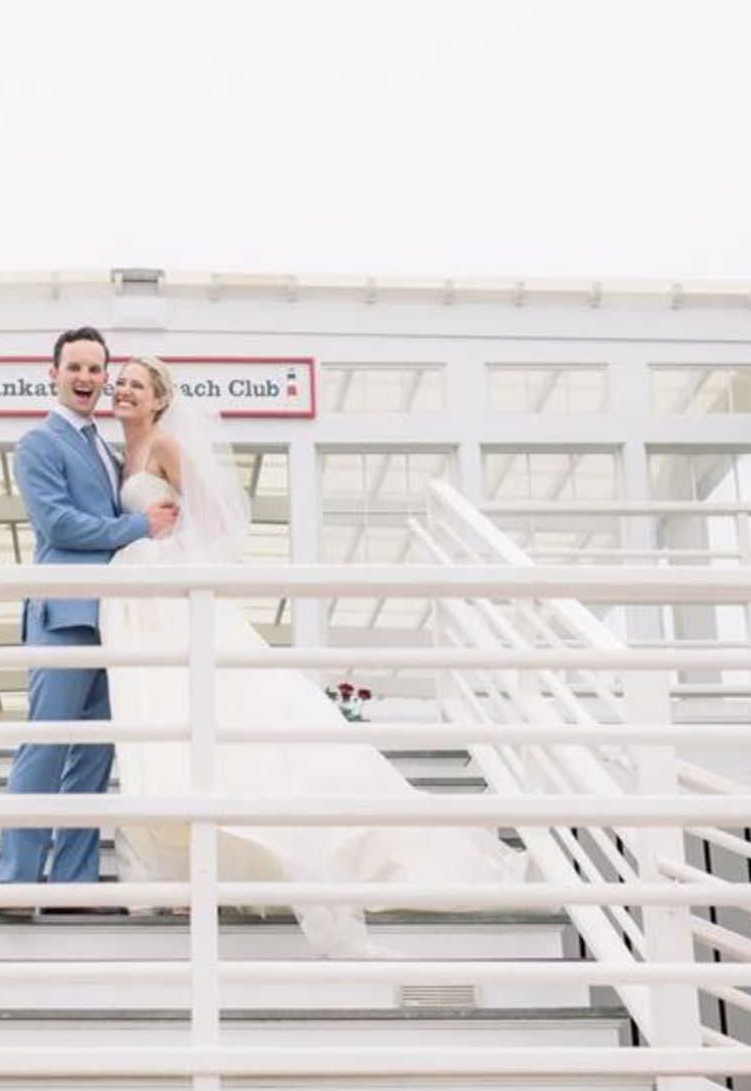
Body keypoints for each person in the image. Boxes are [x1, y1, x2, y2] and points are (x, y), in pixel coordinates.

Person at [102, 356, 527, 957]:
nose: (123, 391)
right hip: (138, 608)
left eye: (135, 386)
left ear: (158, 399)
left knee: (218, 713)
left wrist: (171, 552)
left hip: (170, 596)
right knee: (167, 724)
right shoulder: (118, 452)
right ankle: (186, 862)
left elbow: (220, 517)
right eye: (120, 383)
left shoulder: (165, 444)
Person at [0, 327, 178, 919]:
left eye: (97, 370)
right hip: (65, 615)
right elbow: (61, 526)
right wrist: (137, 528)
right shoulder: (39, 443)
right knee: (45, 748)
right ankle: (15, 885)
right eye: (76, 367)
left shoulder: (108, 446)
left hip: (114, 619)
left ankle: (72, 886)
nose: (87, 379)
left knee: (93, 758)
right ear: (52, 372)